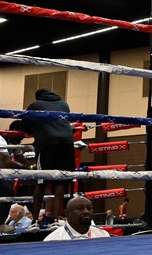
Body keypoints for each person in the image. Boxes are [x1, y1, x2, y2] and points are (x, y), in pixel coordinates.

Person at [20, 88, 75, 227]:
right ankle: (56, 220)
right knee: (61, 181)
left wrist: (36, 129)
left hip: (47, 143)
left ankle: (34, 221)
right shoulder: (64, 104)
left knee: (40, 181)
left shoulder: (35, 105)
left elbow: (24, 126)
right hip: (67, 143)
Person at [43, 197, 111, 241]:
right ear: (67, 214)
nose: (86, 211)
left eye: (89, 208)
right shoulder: (53, 240)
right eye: (80, 208)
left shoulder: (103, 236)